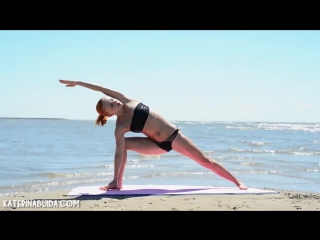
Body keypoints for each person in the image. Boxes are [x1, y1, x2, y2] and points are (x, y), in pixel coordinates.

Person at [59, 79, 248, 191]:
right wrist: (114, 177)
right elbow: (118, 153)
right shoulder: (120, 126)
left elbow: (101, 88)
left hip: (174, 137)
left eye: (111, 100)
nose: (114, 102)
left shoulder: (127, 100)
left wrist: (78, 83)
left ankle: (237, 182)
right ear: (108, 114)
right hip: (156, 145)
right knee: (122, 145)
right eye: (110, 105)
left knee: (205, 161)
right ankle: (117, 183)